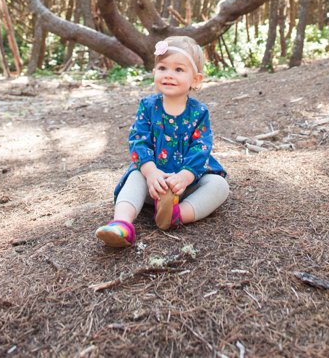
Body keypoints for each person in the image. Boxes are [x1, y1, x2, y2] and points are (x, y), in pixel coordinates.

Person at [95, 36, 229, 248]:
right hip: (152, 183)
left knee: (219, 185)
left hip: (187, 184)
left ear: (195, 80)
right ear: (154, 72)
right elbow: (138, 140)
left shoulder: (198, 112)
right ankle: (122, 223)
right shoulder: (148, 106)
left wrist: (185, 176)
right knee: (135, 177)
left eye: (178, 70)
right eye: (163, 68)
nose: (169, 74)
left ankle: (176, 214)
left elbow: (201, 147)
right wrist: (151, 173)